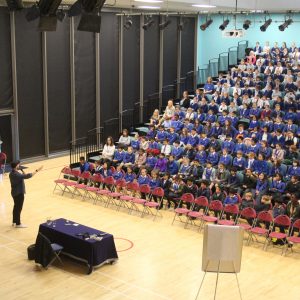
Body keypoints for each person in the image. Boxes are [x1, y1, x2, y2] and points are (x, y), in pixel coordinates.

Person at [9, 161, 43, 228]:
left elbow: (23, 176)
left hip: (14, 193)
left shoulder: (11, 173)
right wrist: (37, 170)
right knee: (19, 208)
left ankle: (14, 221)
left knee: (16, 207)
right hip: (19, 193)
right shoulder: (16, 174)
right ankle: (18, 224)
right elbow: (28, 176)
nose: (19, 165)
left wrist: (23, 174)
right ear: (16, 166)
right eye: (18, 164)